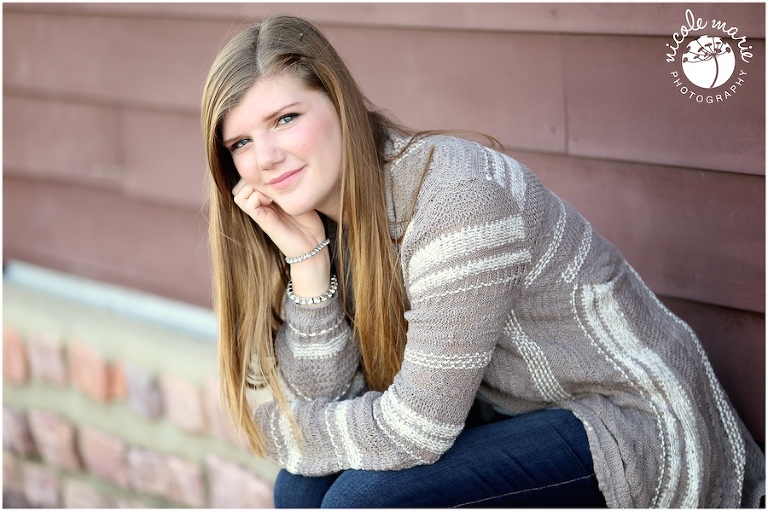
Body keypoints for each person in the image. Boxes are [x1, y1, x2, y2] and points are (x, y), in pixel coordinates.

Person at [201, 14, 764, 508]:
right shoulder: (314, 225)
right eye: (241, 143)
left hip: (630, 424)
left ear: (338, 103)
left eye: (285, 119)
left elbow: (414, 430)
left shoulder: (455, 197)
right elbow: (332, 398)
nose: (267, 158)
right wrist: (307, 263)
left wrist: (287, 430)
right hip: (509, 419)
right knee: (300, 492)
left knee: (362, 502)